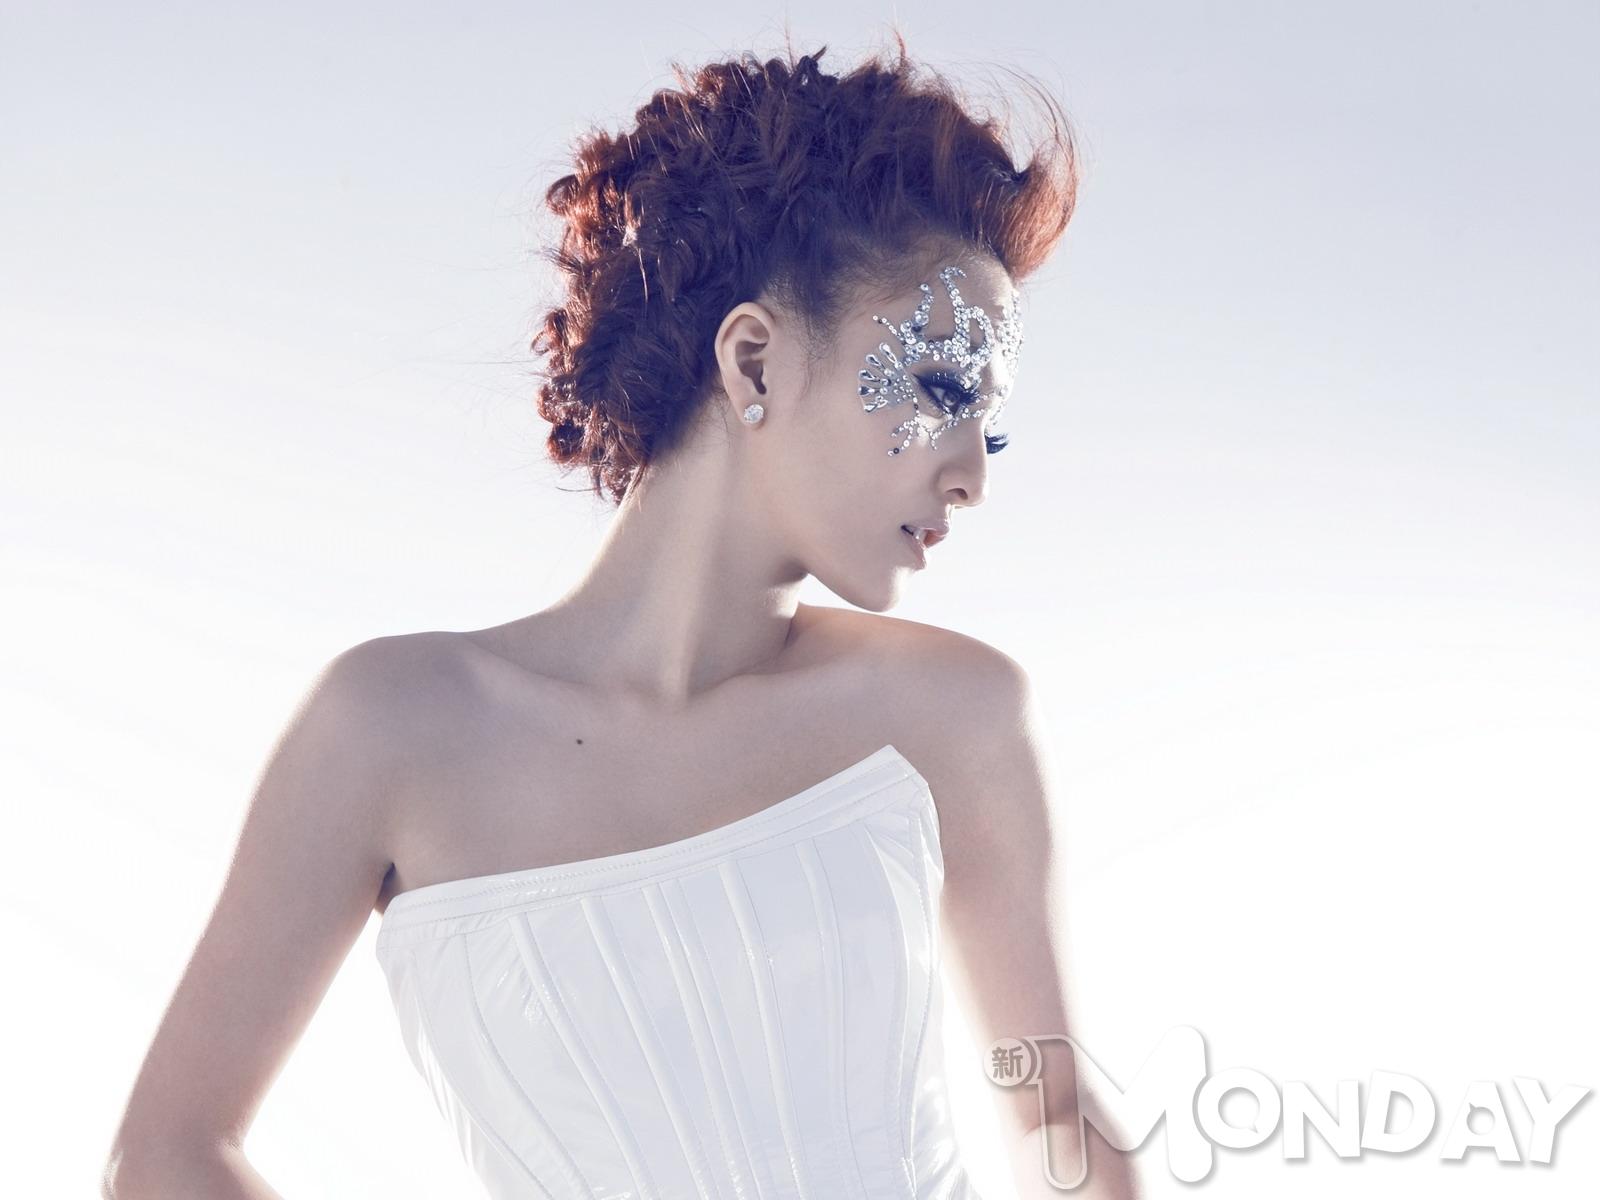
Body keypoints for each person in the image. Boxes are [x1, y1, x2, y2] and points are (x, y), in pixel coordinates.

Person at [102, 34, 1141, 1200]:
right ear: (754, 361)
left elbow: (1053, 1115)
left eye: (988, 424)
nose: (973, 475)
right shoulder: (389, 731)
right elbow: (168, 1153)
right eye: (942, 390)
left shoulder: (954, 715)